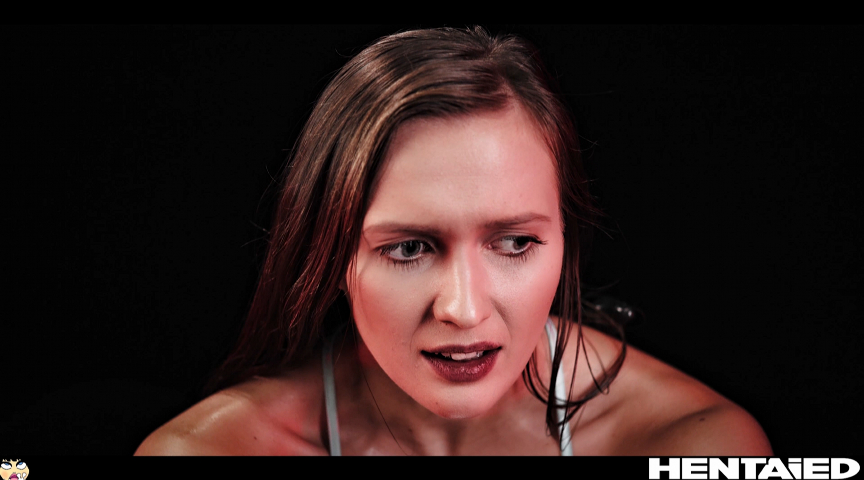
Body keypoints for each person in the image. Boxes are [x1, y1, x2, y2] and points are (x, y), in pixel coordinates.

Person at [135, 26, 772, 456]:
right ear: (331, 255)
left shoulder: (697, 448)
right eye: (409, 248)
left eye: (515, 242)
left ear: (564, 239)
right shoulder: (210, 451)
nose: (463, 310)